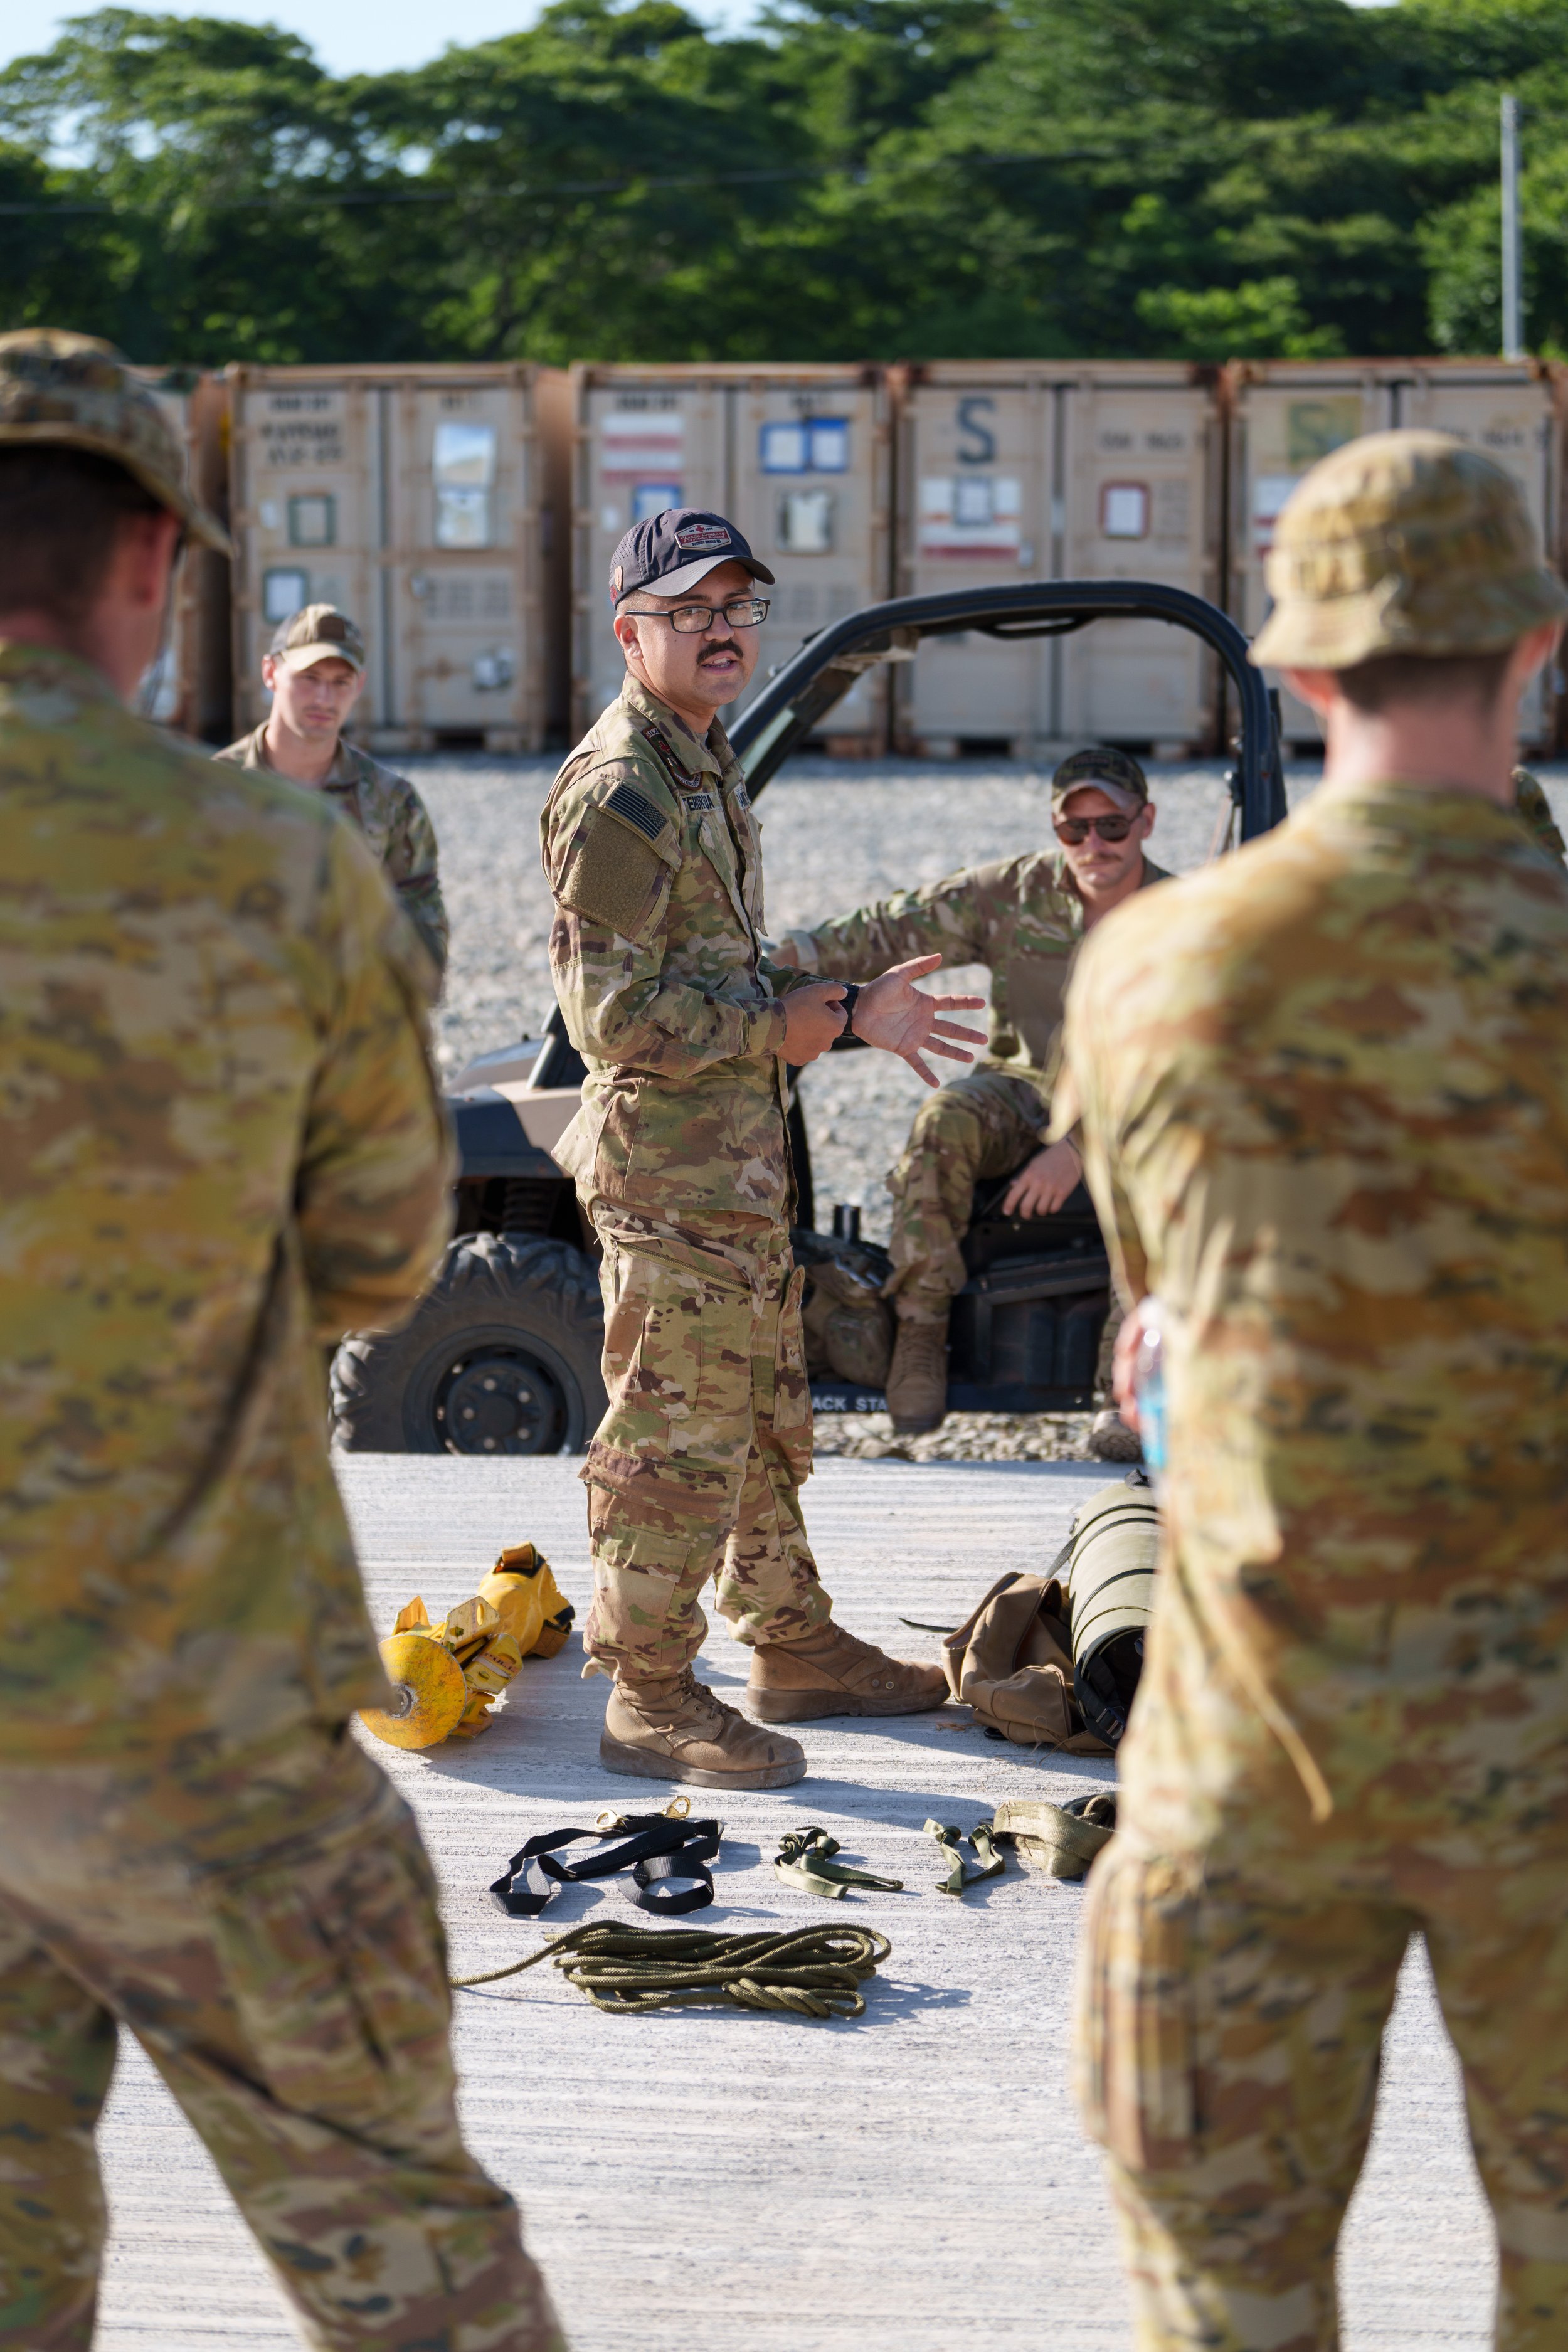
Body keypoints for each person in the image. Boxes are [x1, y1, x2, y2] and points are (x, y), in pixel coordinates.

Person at [0, 331, 562, 2351]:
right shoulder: (282, 872)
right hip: (205, 1710)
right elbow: (381, 1255)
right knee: (414, 2263)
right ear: (158, 564)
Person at [1056, 428, 1568, 2349]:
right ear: (1530, 645)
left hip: (1252, 1758)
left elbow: (1154, 1319)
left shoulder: (1150, 973)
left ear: (1290, 672)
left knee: (1223, 2303)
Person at [539, 508, 985, 1788]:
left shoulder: (699, 756)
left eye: (737, 608)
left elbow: (728, 971)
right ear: (631, 632)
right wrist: (791, 1028)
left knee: (754, 1415)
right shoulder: (620, 783)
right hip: (666, 1176)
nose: (722, 631)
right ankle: (648, 1696)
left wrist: (846, 1013)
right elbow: (609, 1018)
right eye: (690, 613)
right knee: (673, 1440)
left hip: (728, 1172)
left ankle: (787, 1643)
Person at [773, 747, 1170, 1440]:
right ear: (1055, 830)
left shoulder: (1180, 915)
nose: (1094, 845)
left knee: (1170, 1167)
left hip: (1130, 1109)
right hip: (1024, 1091)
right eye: (1074, 830)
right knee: (945, 1116)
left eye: (1111, 826)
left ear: (1145, 823)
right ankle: (921, 1337)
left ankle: (1125, 1389)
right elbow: (896, 926)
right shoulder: (1016, 893)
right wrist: (781, 960)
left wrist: (1077, 1148)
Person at [216, 603, 448, 990]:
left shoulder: (391, 801)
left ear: (359, 686)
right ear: (270, 673)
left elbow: (423, 923)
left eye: (341, 682)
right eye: (309, 677)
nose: (324, 698)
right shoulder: (215, 788)